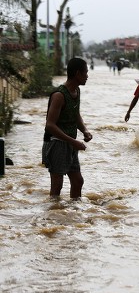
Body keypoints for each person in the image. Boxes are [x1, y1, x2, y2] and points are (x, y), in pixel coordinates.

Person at [41, 57, 93, 199]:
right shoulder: (59, 95)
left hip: (70, 144)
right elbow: (50, 125)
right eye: (85, 73)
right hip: (56, 143)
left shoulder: (76, 91)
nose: (87, 76)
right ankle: (53, 216)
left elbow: (75, 114)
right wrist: (73, 142)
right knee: (57, 184)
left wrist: (85, 130)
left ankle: (73, 213)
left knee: (78, 181)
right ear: (77, 74)